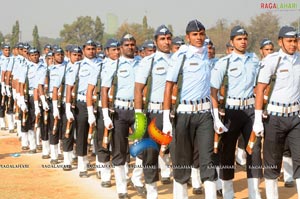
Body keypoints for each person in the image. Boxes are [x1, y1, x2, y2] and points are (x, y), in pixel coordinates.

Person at [163, 19, 217, 199]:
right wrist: (165, 119)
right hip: (184, 113)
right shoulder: (182, 55)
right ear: (187, 37)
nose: (199, 37)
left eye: (202, 34)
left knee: (207, 157)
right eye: (195, 34)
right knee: (182, 158)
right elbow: (169, 85)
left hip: (204, 114)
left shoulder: (207, 55)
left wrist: (216, 117)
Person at [210, 25, 262, 199]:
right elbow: (213, 91)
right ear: (232, 42)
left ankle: (254, 193)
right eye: (239, 39)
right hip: (231, 111)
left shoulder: (254, 59)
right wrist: (216, 117)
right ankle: (228, 193)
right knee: (227, 152)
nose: (243, 41)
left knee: (253, 151)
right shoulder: (224, 62)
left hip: (250, 111)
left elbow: (260, 86)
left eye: (245, 38)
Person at [254, 26, 300, 199]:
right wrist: (258, 119)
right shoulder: (273, 60)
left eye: (295, 40)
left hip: (295, 117)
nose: (293, 44)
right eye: (289, 41)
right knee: (272, 162)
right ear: (280, 41)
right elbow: (260, 89)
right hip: (274, 118)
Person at [134, 24, 173, 199]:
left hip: (175, 112)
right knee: (150, 153)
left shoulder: (177, 59)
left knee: (177, 151)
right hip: (154, 112)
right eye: (162, 39)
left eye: (168, 38)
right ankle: (152, 193)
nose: (166, 42)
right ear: (156, 41)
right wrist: (139, 116)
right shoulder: (148, 62)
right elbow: (138, 89)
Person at [101, 33, 140, 199]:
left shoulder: (142, 63)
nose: (130, 47)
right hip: (119, 111)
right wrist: (105, 115)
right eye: (126, 44)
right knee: (119, 150)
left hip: (138, 110)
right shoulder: (114, 65)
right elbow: (104, 90)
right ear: (121, 47)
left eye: (132, 44)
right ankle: (122, 188)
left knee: (142, 148)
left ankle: (137, 179)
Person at [66, 39, 102, 177]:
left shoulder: (102, 64)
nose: (91, 51)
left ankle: (100, 166)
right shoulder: (78, 66)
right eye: (88, 49)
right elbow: (69, 88)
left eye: (93, 48)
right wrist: (68, 108)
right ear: (83, 50)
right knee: (82, 134)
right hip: (81, 103)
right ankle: (82, 165)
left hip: (98, 103)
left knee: (98, 134)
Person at [62, 45, 83, 171]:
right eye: (74, 55)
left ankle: (78, 155)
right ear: (69, 55)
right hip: (67, 102)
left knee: (80, 132)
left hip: (80, 103)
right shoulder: (64, 68)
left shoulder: (84, 68)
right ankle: (67, 160)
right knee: (68, 131)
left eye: (79, 55)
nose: (77, 57)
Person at [0, 44, 14, 133]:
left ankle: (11, 125)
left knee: (10, 104)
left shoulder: (13, 58)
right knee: (1, 104)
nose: (7, 52)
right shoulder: (0, 59)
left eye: (8, 50)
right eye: (5, 50)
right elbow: (3, 73)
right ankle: (2, 124)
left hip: (11, 84)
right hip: (1, 84)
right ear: (2, 50)